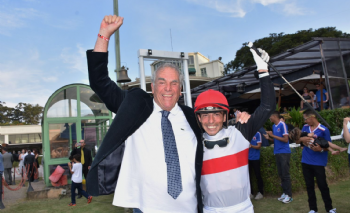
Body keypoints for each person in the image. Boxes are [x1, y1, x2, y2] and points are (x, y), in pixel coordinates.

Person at [86, 15, 204, 213]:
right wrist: (104, 35)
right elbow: (100, 81)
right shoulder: (135, 108)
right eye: (162, 82)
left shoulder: (192, 117)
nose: (168, 88)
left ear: (181, 89)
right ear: (152, 86)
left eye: (174, 83)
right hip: (147, 208)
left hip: (190, 208)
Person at [194, 47, 275, 212]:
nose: (210, 121)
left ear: (225, 117)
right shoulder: (192, 143)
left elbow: (267, 107)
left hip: (243, 208)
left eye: (216, 114)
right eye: (205, 115)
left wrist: (263, 71)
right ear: (199, 118)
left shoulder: (240, 132)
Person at [296, 109, 337, 213]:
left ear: (312, 117)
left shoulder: (324, 130)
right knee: (309, 186)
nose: (305, 121)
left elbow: (328, 146)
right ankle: (313, 209)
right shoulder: (305, 128)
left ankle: (329, 208)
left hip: (318, 162)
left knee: (323, 185)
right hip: (305, 161)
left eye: (306, 119)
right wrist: (302, 141)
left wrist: (321, 149)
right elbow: (297, 140)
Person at [264, 111, 293, 203]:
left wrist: (273, 135)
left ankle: (289, 195)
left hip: (284, 152)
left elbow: (285, 139)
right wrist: (269, 138)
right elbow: (276, 140)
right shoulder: (273, 126)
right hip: (277, 152)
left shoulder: (282, 125)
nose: (269, 119)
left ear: (274, 116)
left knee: (285, 174)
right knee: (281, 174)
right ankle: (285, 193)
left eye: (270, 117)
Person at [249, 132, 264, 200]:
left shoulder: (257, 133)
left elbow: (259, 146)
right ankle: (251, 193)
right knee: (248, 176)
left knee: (258, 175)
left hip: (255, 158)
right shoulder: (247, 133)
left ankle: (261, 192)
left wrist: (251, 146)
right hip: (247, 158)